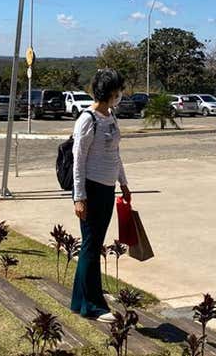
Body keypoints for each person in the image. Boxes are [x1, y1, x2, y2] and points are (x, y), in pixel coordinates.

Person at [71, 69, 131, 323]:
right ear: (109, 93)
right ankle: (93, 305)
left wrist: (124, 183)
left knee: (92, 245)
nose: (120, 96)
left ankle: (80, 299)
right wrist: (79, 197)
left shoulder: (111, 116)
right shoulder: (88, 119)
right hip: (91, 189)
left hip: (107, 188)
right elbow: (78, 161)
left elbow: (115, 154)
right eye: (117, 91)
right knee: (90, 245)